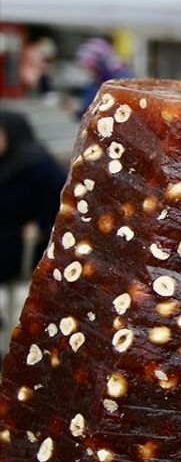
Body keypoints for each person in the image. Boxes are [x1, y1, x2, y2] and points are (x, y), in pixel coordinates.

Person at [0, 110, 63, 284]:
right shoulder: (5, 160)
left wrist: (40, 224)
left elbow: (59, 202)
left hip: (20, 242)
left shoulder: (38, 165)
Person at [74, 38, 131, 117]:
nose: (86, 71)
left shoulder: (117, 78)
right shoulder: (99, 77)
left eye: (88, 66)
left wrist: (78, 111)